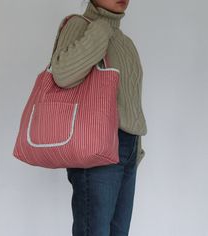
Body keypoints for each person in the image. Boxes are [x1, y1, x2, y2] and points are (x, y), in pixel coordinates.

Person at [50, 0, 148, 235]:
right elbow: (62, 75)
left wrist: (135, 149)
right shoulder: (79, 25)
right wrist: (101, 27)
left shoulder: (126, 42)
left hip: (127, 150)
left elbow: (129, 101)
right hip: (94, 148)